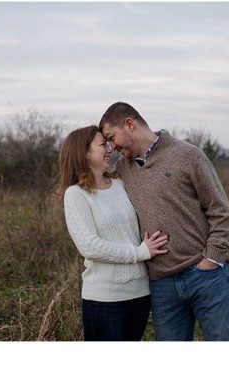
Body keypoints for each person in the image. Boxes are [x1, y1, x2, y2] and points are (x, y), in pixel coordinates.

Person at [99, 102, 229, 341]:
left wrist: (212, 259)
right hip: (161, 284)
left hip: (205, 275)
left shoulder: (188, 155)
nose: (111, 147)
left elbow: (219, 209)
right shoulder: (122, 168)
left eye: (111, 137)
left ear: (129, 125)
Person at [58, 124, 169, 341]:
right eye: (102, 145)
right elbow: (89, 246)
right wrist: (139, 253)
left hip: (140, 294)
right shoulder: (76, 195)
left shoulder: (119, 183)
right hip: (104, 300)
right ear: (85, 152)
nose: (111, 148)